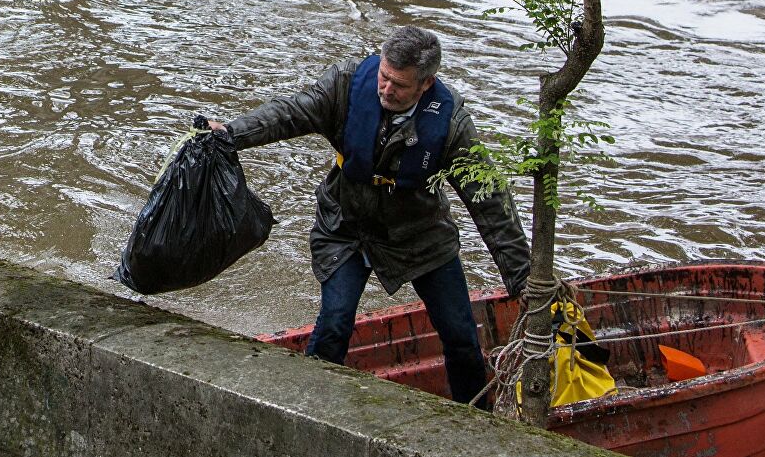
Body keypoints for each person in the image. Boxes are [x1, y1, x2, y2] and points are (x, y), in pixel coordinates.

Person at [208, 27, 529, 406]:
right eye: (384, 76)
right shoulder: (346, 85)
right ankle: (308, 410)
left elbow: (490, 202)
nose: (387, 89)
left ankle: (475, 419)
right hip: (346, 226)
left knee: (461, 337)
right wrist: (230, 133)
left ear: (426, 84)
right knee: (334, 327)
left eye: (400, 85)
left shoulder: (452, 125)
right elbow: (289, 114)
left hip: (420, 234)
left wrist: (523, 279)